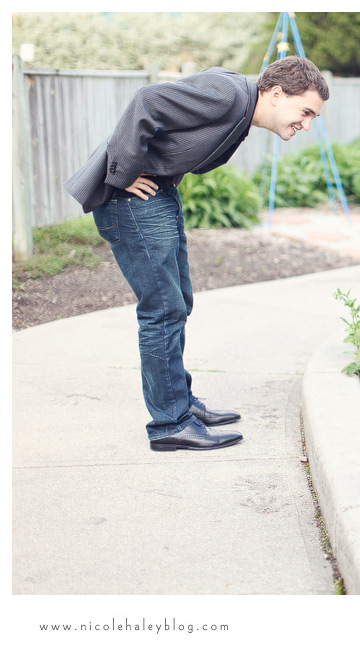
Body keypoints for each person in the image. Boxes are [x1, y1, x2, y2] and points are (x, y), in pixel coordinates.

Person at [64, 56, 329, 452]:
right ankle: (170, 423)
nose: (306, 124)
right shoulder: (229, 95)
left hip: (158, 196)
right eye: (305, 112)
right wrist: (121, 172)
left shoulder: (238, 103)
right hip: (132, 202)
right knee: (162, 310)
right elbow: (146, 100)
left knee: (178, 302)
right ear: (276, 94)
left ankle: (180, 403)